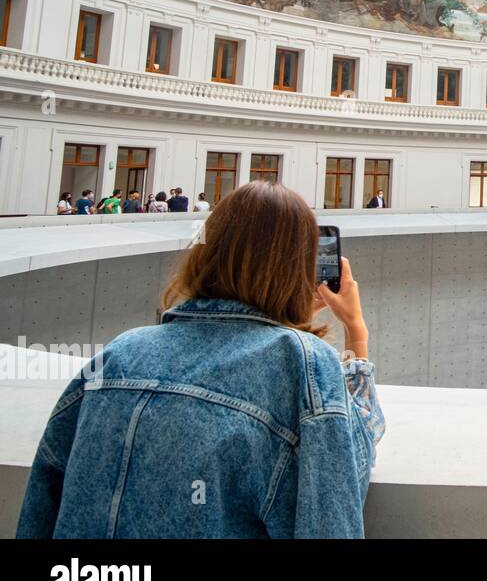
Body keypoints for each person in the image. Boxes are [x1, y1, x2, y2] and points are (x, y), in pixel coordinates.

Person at [16, 181, 384, 538]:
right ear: (297, 270)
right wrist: (356, 329)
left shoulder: (117, 354)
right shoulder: (302, 364)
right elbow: (341, 490)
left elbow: (41, 503)